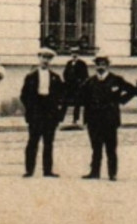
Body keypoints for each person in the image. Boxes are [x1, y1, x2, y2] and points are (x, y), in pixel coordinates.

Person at [78, 55, 137, 181]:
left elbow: (132, 90)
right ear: (95, 66)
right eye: (98, 64)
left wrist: (119, 100)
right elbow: (83, 99)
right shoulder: (90, 81)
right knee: (96, 147)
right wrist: (86, 119)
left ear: (108, 65)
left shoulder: (116, 80)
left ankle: (112, 173)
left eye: (103, 64)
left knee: (111, 147)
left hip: (109, 119)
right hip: (94, 119)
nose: (100, 67)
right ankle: (94, 172)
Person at [20, 47, 65, 177]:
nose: (45, 60)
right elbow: (24, 95)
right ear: (39, 58)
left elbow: (61, 95)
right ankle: (29, 170)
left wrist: (57, 111)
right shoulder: (30, 77)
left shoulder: (56, 77)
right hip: (36, 112)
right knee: (33, 142)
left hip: (50, 113)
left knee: (48, 142)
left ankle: (48, 170)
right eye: (43, 57)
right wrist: (31, 109)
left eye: (48, 58)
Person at [62, 55, 89, 128]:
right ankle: (60, 118)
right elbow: (65, 73)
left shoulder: (82, 63)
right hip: (69, 86)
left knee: (77, 103)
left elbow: (86, 75)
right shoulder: (69, 63)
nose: (74, 56)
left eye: (75, 54)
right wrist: (66, 81)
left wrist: (81, 83)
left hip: (77, 86)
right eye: (72, 54)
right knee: (64, 102)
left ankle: (75, 119)